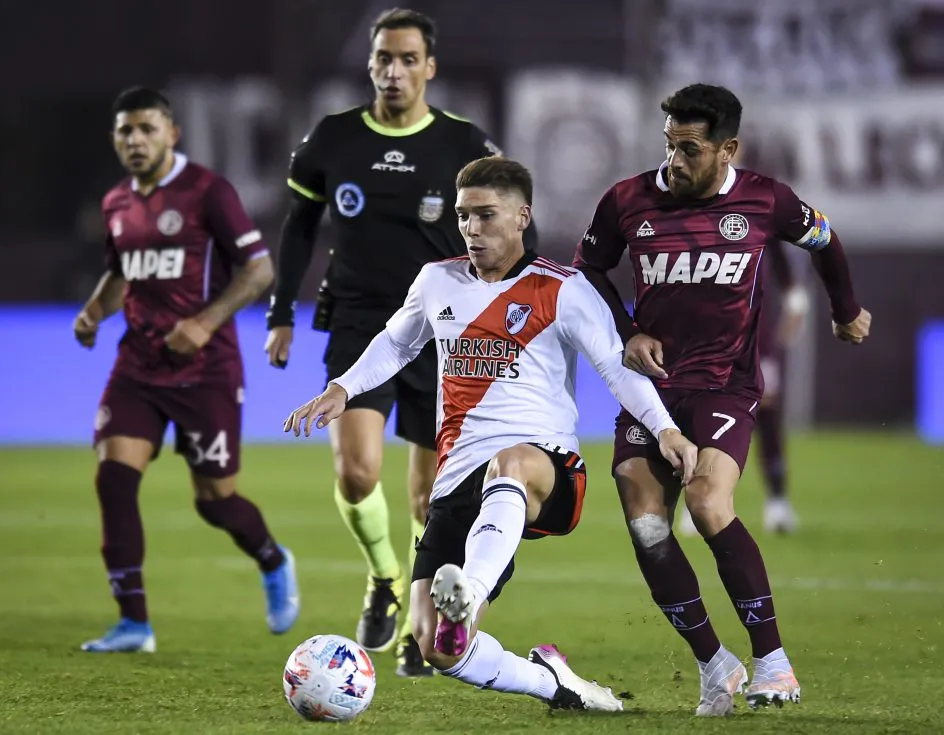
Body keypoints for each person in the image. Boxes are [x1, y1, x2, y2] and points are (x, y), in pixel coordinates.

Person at [284, 156, 698, 711]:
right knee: (439, 648)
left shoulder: (563, 288)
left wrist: (665, 429)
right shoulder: (438, 281)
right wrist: (343, 388)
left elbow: (615, 366)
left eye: (486, 215)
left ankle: (470, 591)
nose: (471, 229)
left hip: (545, 468)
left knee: (512, 462)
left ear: (522, 216)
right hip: (459, 478)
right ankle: (556, 685)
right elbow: (397, 342)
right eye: (463, 216)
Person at [574, 83, 871, 715]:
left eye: (690, 149)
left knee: (708, 503)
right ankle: (715, 663)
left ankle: (774, 662)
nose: (674, 160)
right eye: (669, 145)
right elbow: (588, 270)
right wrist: (627, 331)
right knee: (647, 526)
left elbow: (825, 241)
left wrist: (845, 311)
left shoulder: (766, 200)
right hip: (651, 390)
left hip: (725, 384)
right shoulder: (626, 200)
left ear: (727, 149)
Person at [265, 8, 524, 676]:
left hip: (445, 330)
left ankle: (416, 621)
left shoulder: (464, 143)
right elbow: (299, 226)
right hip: (358, 324)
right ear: (371, 63)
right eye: (384, 57)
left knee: (428, 496)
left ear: (429, 67)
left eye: (408, 59)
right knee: (355, 472)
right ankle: (383, 574)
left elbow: (510, 227)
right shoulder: (333, 138)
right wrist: (281, 311)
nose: (394, 70)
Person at [74, 86, 299, 653]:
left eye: (147, 129)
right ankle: (134, 623)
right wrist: (94, 312)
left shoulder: (207, 191)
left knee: (215, 501)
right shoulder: (116, 203)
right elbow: (121, 272)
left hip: (206, 369)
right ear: (114, 140)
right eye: (125, 131)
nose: (135, 140)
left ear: (171, 134)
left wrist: (203, 322)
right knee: (114, 479)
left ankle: (272, 559)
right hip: (138, 365)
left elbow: (259, 270)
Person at [677, 241, 807, 537]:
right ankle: (696, 499)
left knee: (767, 410)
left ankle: (777, 501)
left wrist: (796, 303)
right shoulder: (694, 227)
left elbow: (781, 261)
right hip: (706, 338)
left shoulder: (760, 220)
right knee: (701, 411)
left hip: (757, 339)